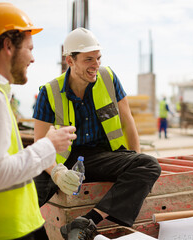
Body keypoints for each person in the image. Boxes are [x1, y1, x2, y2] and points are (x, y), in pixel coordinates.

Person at [33, 27, 162, 240]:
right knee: (26, 190)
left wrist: (133, 157)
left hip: (101, 157)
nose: (96, 65)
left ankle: (88, 221)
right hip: (63, 160)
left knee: (148, 164)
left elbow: (128, 121)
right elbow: (39, 143)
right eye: (88, 59)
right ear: (70, 61)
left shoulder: (108, 78)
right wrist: (56, 172)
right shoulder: (49, 92)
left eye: (98, 58)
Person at [0, 3, 77, 240]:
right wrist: (49, 145)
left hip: (18, 224)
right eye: (29, 48)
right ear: (8, 45)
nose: (33, 58)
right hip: (7, 230)